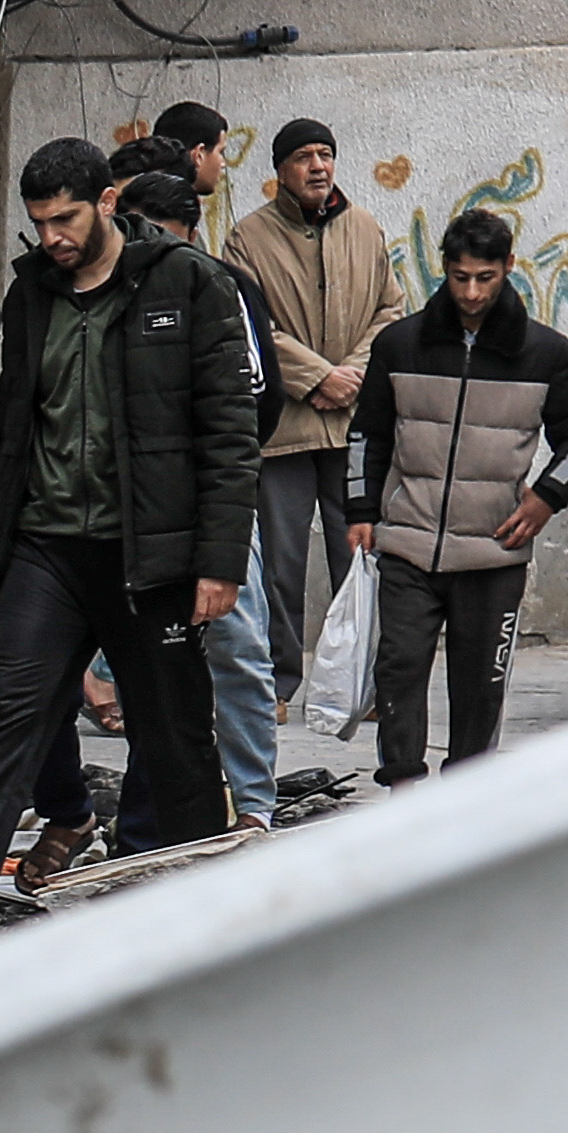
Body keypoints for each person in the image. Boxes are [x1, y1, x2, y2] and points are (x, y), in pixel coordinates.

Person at [0, 139, 261, 939]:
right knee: (4, 715)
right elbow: (17, 430)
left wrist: (220, 558)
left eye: (65, 218)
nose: (52, 236)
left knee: (174, 732)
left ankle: (200, 904)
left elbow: (229, 432)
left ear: (103, 202)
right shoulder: (32, 297)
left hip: (150, 552)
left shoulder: (189, 283)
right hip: (48, 547)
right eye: (39, 222)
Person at [345, 209, 568, 783]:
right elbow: (368, 434)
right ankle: (404, 786)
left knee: (480, 682)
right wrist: (360, 512)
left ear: (509, 268)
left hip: (493, 551)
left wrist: (546, 499)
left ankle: (468, 795)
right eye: (460, 277)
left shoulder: (545, 353)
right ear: (445, 271)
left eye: (486, 277)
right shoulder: (400, 344)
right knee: (399, 668)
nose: (473, 291)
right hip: (408, 541)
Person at [110, 134, 292, 822]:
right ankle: (152, 820)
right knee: (148, 663)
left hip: (214, 500)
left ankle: (252, 810)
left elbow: (258, 398)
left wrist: (222, 478)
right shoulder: (102, 291)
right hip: (133, 507)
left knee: (238, 652)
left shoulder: (221, 286)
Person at [220, 115, 382, 698]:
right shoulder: (246, 238)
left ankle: (360, 686)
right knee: (280, 566)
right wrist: (316, 377)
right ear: (280, 172)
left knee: (360, 561)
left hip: (353, 425)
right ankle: (280, 683)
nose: (318, 165)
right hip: (284, 428)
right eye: (304, 157)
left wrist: (355, 374)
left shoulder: (364, 228)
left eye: (325, 154)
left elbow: (390, 308)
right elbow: (248, 325)